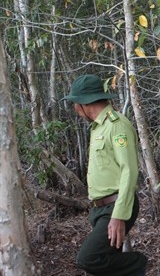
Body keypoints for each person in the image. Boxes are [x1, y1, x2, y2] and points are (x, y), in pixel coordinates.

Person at [62, 74, 147, 276]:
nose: (74, 108)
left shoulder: (117, 125)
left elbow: (129, 170)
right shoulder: (99, 127)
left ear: (85, 102)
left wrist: (118, 215)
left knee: (88, 258)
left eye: (75, 103)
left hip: (115, 206)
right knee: (107, 265)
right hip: (100, 208)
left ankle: (139, 263)